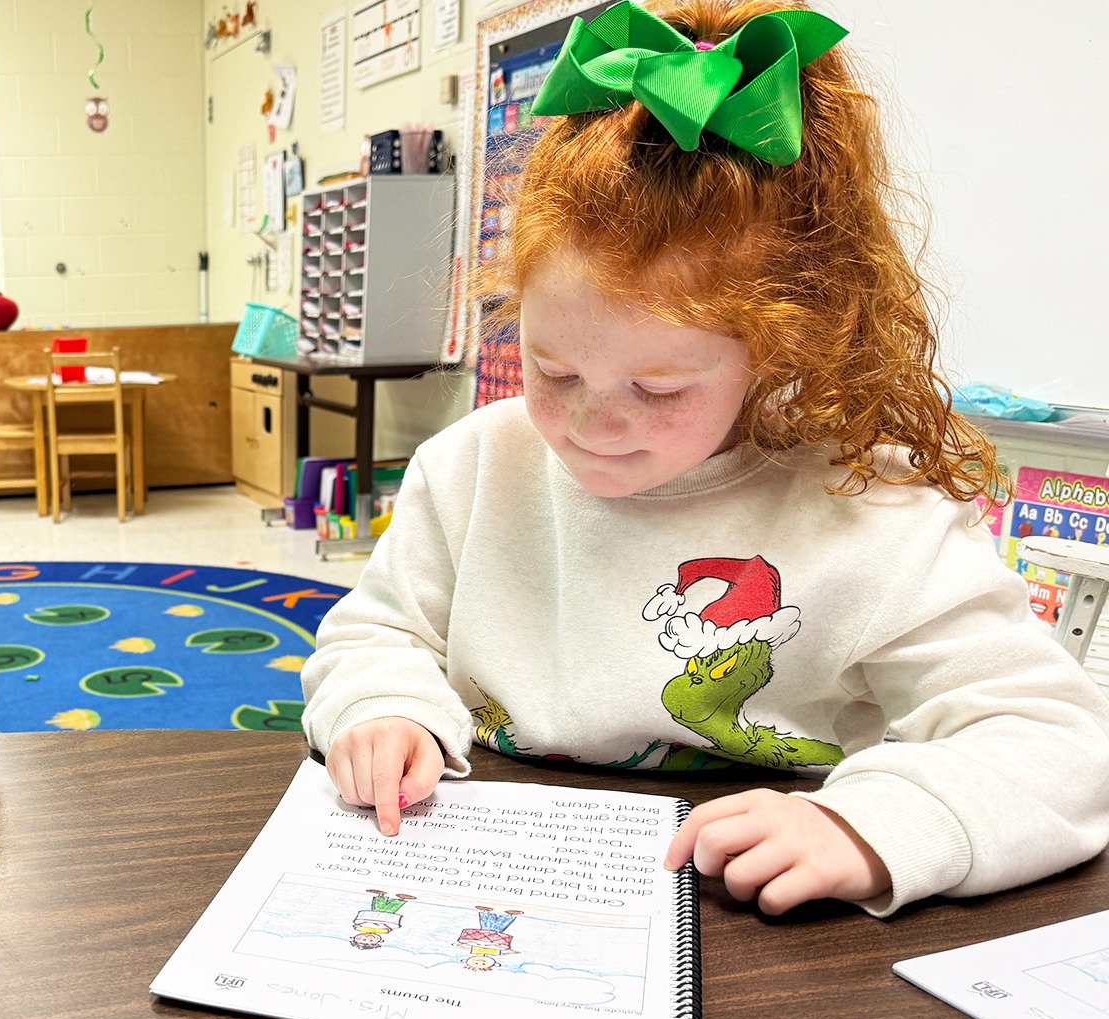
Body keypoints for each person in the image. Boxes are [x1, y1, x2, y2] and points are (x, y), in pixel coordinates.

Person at [301, 0, 1109, 919]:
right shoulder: (473, 468)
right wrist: (381, 707)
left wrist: (872, 826)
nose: (594, 423)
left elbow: (1057, 741)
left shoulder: (874, 512)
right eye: (552, 368)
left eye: (660, 388)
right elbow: (378, 635)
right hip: (501, 883)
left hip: (770, 925)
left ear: (779, 350)